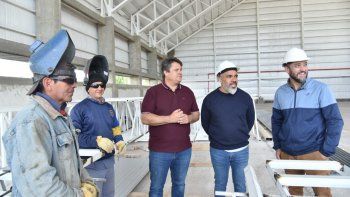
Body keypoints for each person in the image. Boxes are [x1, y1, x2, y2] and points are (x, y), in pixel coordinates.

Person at [2, 30, 98, 196]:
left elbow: (74, 164)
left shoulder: (59, 117)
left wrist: (87, 182)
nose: (74, 85)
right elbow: (40, 186)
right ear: (48, 82)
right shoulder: (31, 121)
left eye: (74, 80)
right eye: (69, 80)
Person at [272, 48, 344, 196]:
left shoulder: (321, 89)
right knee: (294, 191)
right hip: (288, 153)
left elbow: (335, 121)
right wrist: (278, 146)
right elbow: (276, 121)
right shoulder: (281, 92)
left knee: (322, 192)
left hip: (314, 152)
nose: (303, 69)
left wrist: (327, 150)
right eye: (297, 65)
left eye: (304, 64)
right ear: (287, 69)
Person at [141, 57, 200, 197]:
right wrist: (169, 118)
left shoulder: (187, 92)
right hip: (159, 151)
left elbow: (196, 114)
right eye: (176, 70)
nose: (180, 73)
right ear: (166, 72)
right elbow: (145, 118)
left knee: (179, 185)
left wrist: (189, 118)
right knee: (156, 188)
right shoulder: (153, 92)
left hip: (184, 150)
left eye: (181, 70)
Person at [70, 55, 126, 197]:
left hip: (109, 162)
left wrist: (119, 139)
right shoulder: (79, 109)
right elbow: (74, 137)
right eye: (95, 85)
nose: (100, 88)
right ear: (88, 87)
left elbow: (115, 127)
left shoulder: (109, 107)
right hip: (92, 165)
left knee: (109, 194)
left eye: (102, 85)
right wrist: (97, 141)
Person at [201, 60, 255, 196]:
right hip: (219, 151)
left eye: (235, 76)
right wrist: (219, 137)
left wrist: (238, 135)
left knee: (240, 184)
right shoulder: (210, 100)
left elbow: (250, 121)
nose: (234, 80)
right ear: (220, 78)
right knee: (220, 184)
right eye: (229, 76)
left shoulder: (245, 98)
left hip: (241, 150)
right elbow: (205, 123)